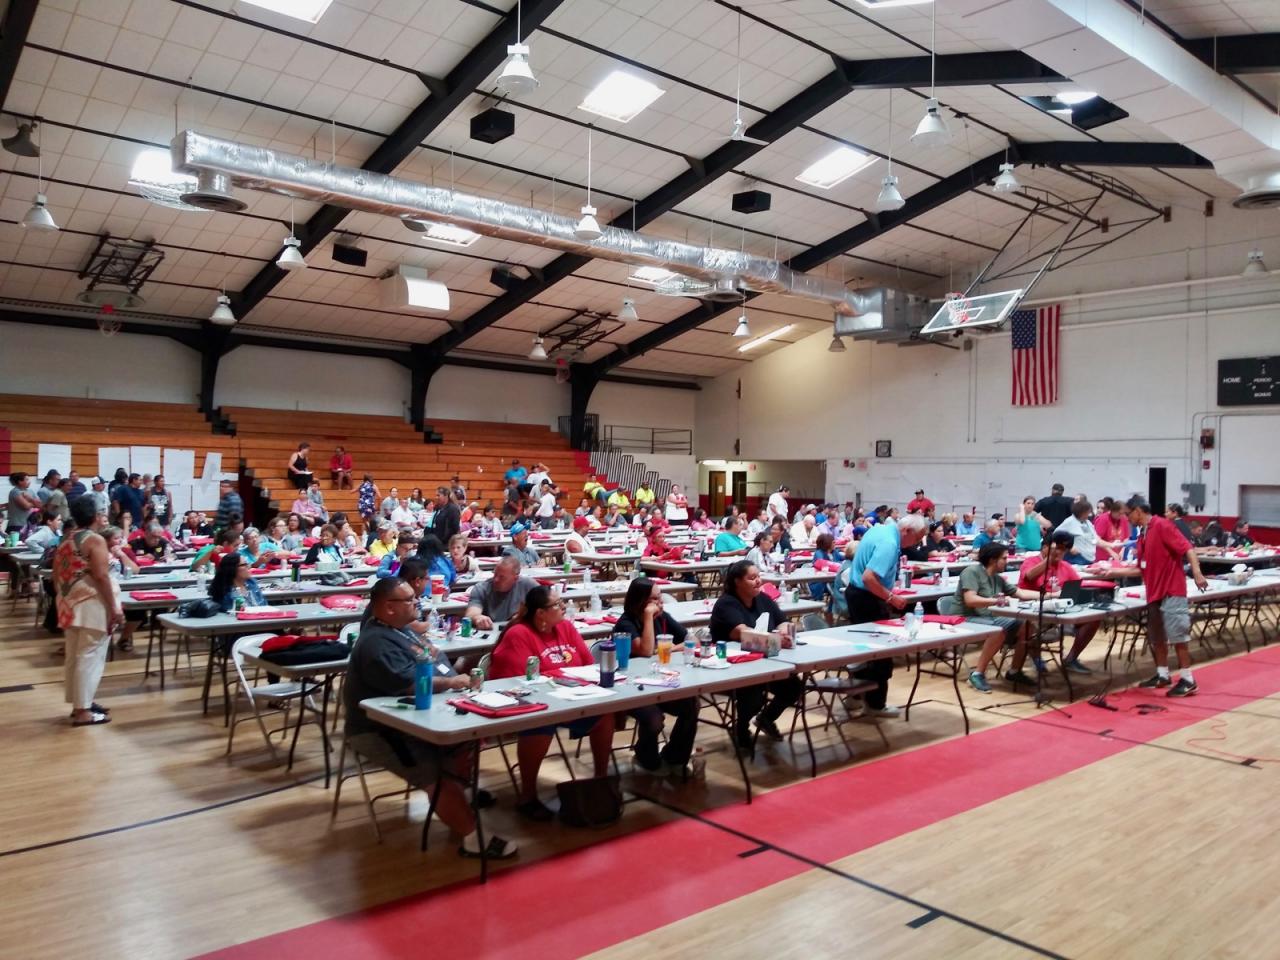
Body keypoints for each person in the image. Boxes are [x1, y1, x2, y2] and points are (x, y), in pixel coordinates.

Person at [344, 577, 516, 859]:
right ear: (388, 607)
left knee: (465, 742)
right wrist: (451, 683)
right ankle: (474, 839)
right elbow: (408, 683)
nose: (418, 602)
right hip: (380, 730)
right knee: (436, 774)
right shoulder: (376, 642)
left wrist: (453, 677)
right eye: (410, 599)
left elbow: (435, 661)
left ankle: (461, 799)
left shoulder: (403, 631)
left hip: (424, 716)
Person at [488, 585, 615, 819]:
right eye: (557, 604)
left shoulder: (565, 627)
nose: (563, 607)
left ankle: (600, 780)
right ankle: (527, 796)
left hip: (573, 697)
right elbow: (515, 683)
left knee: (605, 713)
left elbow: (588, 663)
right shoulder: (519, 634)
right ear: (540, 614)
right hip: (537, 703)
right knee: (540, 723)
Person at [709, 560, 805, 751]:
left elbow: (782, 621)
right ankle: (741, 728)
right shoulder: (726, 604)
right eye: (752, 578)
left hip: (766, 661)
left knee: (794, 686)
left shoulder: (763, 599)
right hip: (731, 666)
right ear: (737, 582)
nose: (758, 581)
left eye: (758, 576)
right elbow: (742, 633)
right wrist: (776, 639)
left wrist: (784, 632)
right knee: (754, 695)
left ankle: (766, 719)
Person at [843, 515, 929, 716]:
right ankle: (875, 704)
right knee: (881, 653)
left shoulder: (879, 529)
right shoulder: (890, 543)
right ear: (906, 530)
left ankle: (855, 696)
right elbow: (868, 578)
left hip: (858, 595)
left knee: (863, 650)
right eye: (917, 538)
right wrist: (890, 597)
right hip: (867, 598)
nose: (917, 543)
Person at [613, 578, 700, 774]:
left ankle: (675, 756)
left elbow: (691, 639)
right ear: (640, 601)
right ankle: (645, 754)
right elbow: (645, 651)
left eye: (660, 599)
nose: (660, 604)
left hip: (661, 681)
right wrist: (647, 618)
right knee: (653, 718)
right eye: (654, 600)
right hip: (631, 687)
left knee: (691, 704)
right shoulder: (626, 623)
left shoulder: (663, 617)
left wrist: (671, 647)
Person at [1128, 496, 1208, 697]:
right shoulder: (1142, 535)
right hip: (1154, 593)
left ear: (1138, 511)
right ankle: (1162, 674)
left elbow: (1188, 549)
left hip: (1171, 590)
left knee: (1178, 636)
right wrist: (1107, 573)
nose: (1127, 518)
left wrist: (1197, 573)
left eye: (1128, 513)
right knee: (1158, 637)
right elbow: (1141, 568)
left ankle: (1188, 680)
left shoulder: (1163, 526)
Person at [53, 498, 122, 726]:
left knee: (75, 656)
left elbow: (55, 575)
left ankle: (80, 703)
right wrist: (114, 607)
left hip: (68, 601)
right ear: (95, 517)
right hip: (91, 602)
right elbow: (101, 576)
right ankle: (83, 710)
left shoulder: (66, 539)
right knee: (90, 657)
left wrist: (64, 599)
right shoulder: (95, 540)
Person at [961, 543, 1044, 693]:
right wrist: (997, 601)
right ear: (993, 560)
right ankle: (977, 674)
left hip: (987, 618)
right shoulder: (971, 572)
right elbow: (970, 600)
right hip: (964, 619)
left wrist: (1051, 596)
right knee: (998, 629)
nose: (1007, 561)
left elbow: (1022, 594)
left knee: (1026, 626)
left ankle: (1014, 672)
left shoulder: (997, 578)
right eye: (1004, 558)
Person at [1018, 530, 1099, 674]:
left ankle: (1071, 659)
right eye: (1058, 549)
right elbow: (1029, 576)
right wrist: (1048, 561)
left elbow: (1078, 586)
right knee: (1027, 626)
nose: (1061, 553)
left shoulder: (1065, 566)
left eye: (1064, 550)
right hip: (1034, 612)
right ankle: (1036, 658)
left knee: (1093, 619)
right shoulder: (1030, 562)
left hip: (1061, 613)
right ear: (1045, 547)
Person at [464, 556, 536, 629]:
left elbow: (545, 606)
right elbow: (471, 614)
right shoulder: (481, 588)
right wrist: (477, 618)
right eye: (495, 574)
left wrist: (525, 616)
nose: (496, 579)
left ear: (515, 578)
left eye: (502, 577)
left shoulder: (528, 585)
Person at [1057, 499, 1118, 566]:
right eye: (1087, 512)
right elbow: (1055, 535)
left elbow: (1096, 540)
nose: (1089, 514)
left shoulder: (1088, 523)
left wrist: (1111, 545)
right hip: (1076, 559)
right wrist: (1069, 547)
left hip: (1089, 559)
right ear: (1081, 512)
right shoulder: (1070, 521)